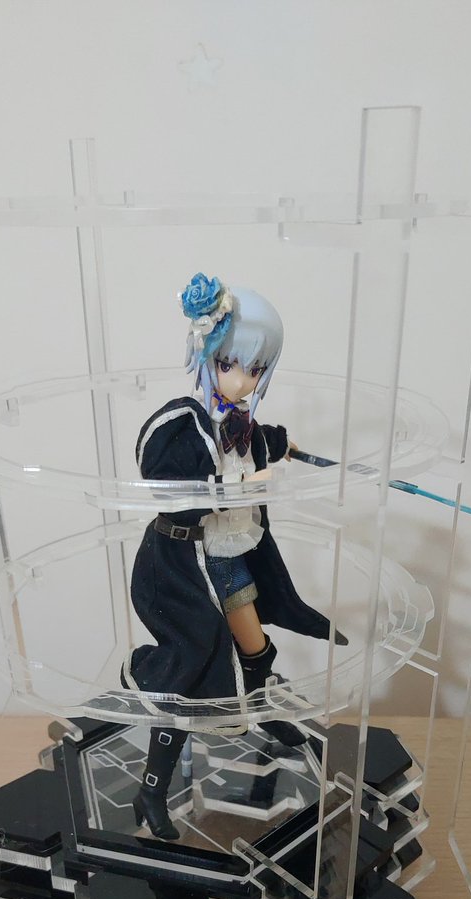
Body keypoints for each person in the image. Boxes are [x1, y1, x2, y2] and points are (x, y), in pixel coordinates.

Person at [121, 273, 346, 839]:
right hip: (180, 567)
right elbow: (170, 481)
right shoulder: (181, 423)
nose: (242, 379)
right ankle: (152, 791)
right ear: (207, 356)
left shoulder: (239, 422)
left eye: (256, 369)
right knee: (191, 672)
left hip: (228, 557)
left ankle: (265, 713)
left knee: (255, 647)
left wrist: (285, 447)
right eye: (230, 364)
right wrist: (242, 485)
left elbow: (257, 442)